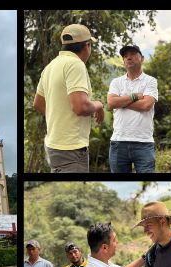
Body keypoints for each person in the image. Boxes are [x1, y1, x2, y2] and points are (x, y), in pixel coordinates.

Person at [33, 24, 104, 173]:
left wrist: (60, 116)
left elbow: (38, 103)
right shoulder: (75, 64)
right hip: (71, 148)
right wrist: (98, 105)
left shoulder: (50, 66)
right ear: (87, 46)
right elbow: (80, 107)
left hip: (54, 146)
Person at [107, 45, 158, 173]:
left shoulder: (150, 81)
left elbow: (146, 105)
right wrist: (135, 96)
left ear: (142, 58)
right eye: (125, 56)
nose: (129, 57)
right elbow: (111, 103)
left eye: (133, 54)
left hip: (143, 143)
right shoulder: (116, 82)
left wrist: (121, 101)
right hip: (119, 142)